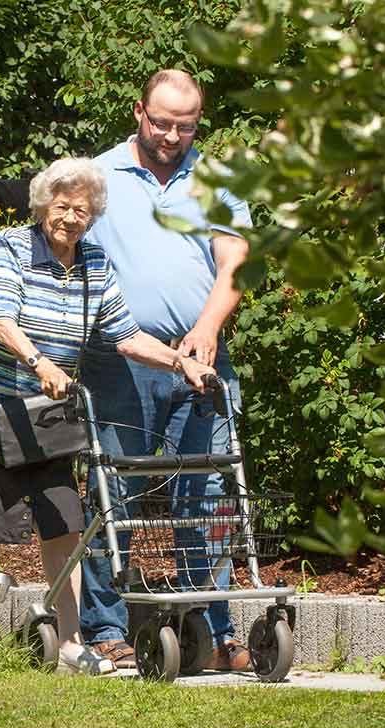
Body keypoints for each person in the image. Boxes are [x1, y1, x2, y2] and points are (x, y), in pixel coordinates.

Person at [0, 156, 217, 675]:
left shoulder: (95, 263)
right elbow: (1, 319)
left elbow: (126, 336)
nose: (70, 217)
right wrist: (40, 362)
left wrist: (181, 362)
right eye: (61, 206)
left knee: (64, 519)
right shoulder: (12, 247)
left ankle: (69, 643)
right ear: (43, 206)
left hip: (45, 414)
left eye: (81, 210)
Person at [77, 69, 254, 672]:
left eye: (187, 124)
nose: (173, 135)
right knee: (112, 494)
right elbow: (53, 244)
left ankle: (213, 626)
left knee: (208, 498)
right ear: (138, 112)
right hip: (118, 363)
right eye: (162, 122)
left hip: (201, 362)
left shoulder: (219, 179)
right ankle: (104, 628)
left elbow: (234, 259)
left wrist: (206, 329)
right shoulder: (98, 176)